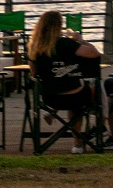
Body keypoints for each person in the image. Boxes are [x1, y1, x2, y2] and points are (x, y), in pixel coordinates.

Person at [28, 10, 101, 153]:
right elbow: (95, 54)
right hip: (77, 96)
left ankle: (50, 115)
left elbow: (33, 73)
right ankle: (78, 144)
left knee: (64, 89)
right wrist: (81, 40)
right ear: (59, 26)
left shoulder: (35, 48)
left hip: (50, 98)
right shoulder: (67, 44)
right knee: (83, 98)